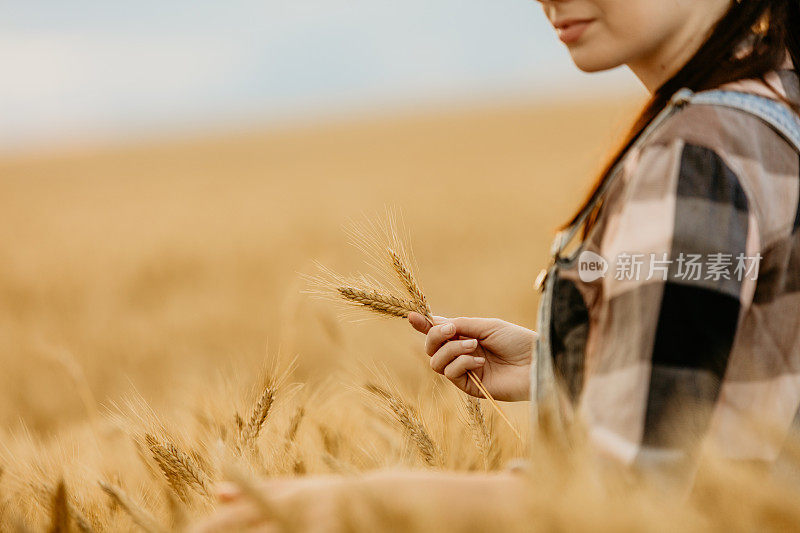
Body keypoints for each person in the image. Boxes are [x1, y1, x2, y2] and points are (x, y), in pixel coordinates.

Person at [194, 0, 800, 529]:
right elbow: (765, 363)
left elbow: (619, 503)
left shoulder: (692, 158)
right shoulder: (776, 104)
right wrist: (562, 365)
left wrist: (366, 503)